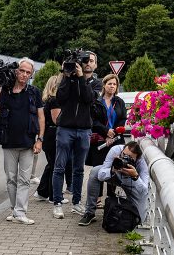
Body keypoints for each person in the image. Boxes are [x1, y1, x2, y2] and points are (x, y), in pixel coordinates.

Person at [0, 59, 44, 225]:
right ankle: (14, 210)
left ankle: (20, 212)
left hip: (27, 143)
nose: (24, 75)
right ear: (16, 71)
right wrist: (0, 88)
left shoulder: (34, 92)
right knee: (11, 179)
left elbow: (41, 117)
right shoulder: (6, 91)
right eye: (22, 71)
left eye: (28, 72)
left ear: (31, 75)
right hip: (8, 142)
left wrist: (40, 139)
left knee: (24, 180)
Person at [51, 55, 97, 218]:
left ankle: (76, 203)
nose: (86, 64)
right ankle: (57, 203)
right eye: (85, 62)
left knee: (78, 169)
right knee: (59, 167)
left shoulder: (94, 82)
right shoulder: (66, 78)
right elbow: (61, 98)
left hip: (84, 129)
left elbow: (89, 99)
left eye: (90, 62)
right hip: (65, 128)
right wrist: (66, 76)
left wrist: (80, 78)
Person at [81, 73, 129, 213]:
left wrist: (113, 133)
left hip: (115, 140)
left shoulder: (119, 102)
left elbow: (122, 119)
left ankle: (111, 196)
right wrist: (105, 132)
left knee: (114, 168)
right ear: (104, 85)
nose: (112, 86)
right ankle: (98, 198)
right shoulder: (97, 101)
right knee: (99, 168)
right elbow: (93, 120)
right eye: (110, 83)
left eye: (114, 84)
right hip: (99, 140)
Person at [78, 141, 150, 227]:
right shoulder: (116, 150)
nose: (125, 158)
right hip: (115, 176)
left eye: (129, 158)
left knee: (140, 219)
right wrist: (112, 170)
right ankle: (89, 213)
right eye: (124, 155)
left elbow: (144, 191)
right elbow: (101, 175)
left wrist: (135, 176)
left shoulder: (142, 162)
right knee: (95, 172)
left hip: (132, 181)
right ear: (122, 150)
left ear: (137, 159)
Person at [33, 75, 70, 203]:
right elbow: (57, 120)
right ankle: (54, 195)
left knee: (51, 165)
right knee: (56, 165)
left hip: (49, 134)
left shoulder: (48, 100)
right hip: (54, 134)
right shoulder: (55, 100)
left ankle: (42, 192)